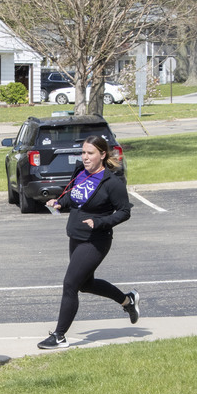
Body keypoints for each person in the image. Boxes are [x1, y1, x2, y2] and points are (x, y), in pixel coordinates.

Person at [38, 135, 139, 350]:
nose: (85, 157)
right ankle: (128, 301)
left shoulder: (112, 182)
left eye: (90, 153)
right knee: (85, 284)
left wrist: (100, 221)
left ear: (102, 155)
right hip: (76, 236)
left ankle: (59, 336)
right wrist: (58, 203)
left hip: (96, 240)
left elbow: (124, 212)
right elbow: (72, 196)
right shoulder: (81, 173)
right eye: (83, 153)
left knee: (70, 284)